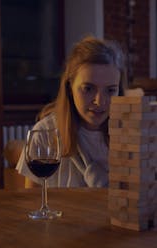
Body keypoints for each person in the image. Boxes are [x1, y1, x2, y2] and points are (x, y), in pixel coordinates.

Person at [16, 36, 126, 188]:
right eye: (88, 89)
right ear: (70, 88)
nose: (100, 101)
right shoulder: (44, 134)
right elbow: (32, 202)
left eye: (111, 90)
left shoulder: (131, 135)